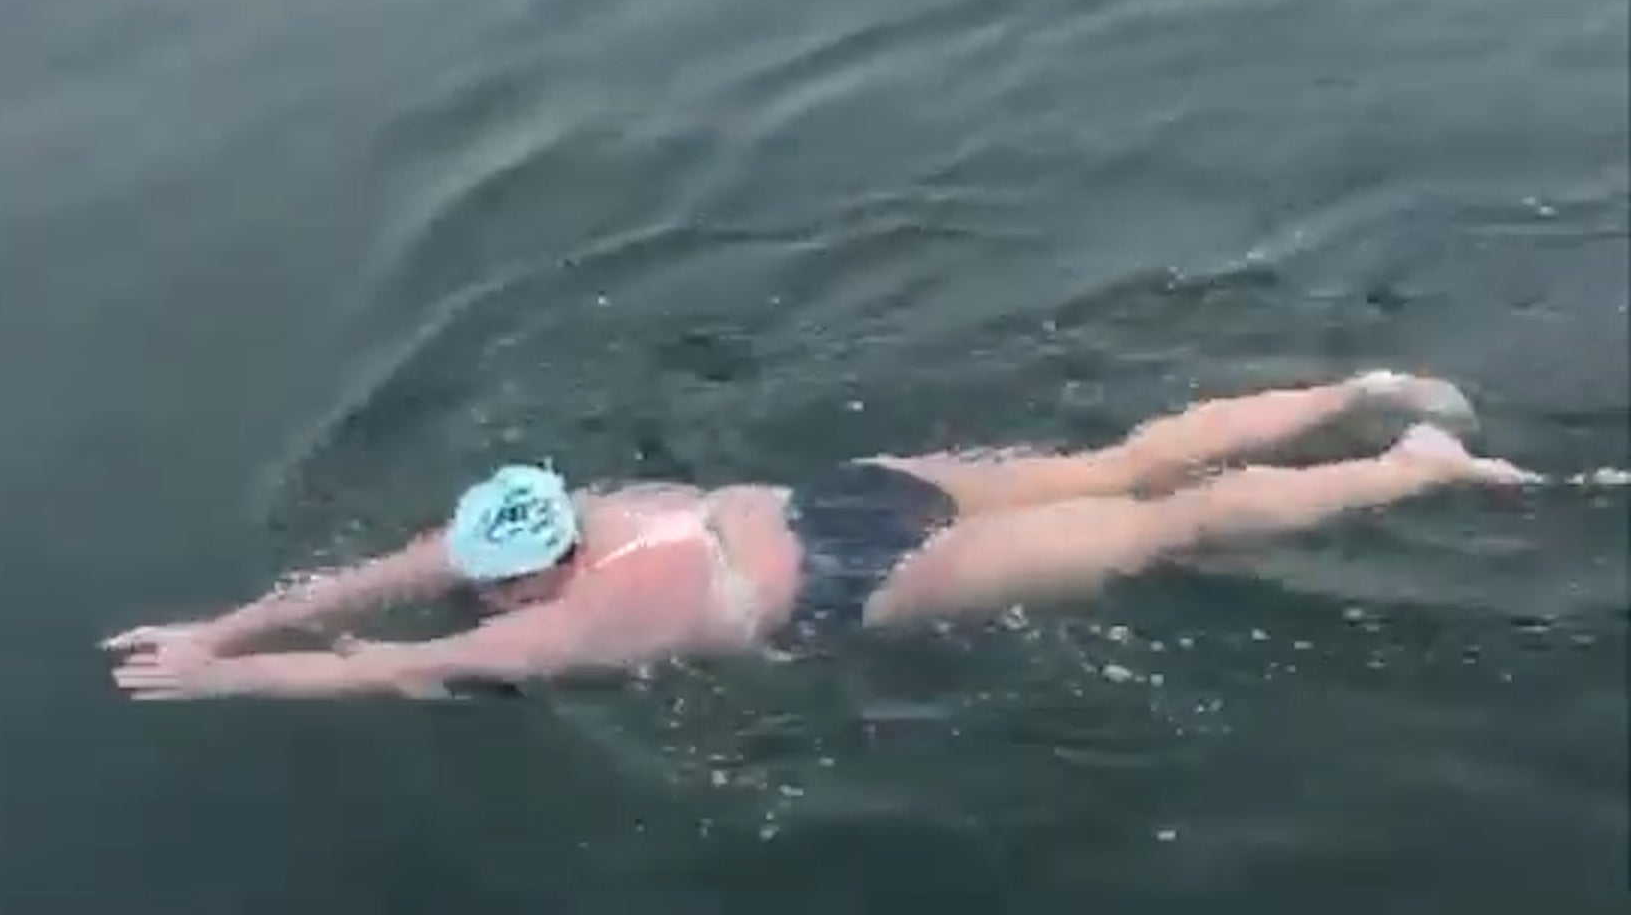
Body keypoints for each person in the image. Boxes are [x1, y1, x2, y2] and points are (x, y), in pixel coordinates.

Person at [104, 370, 1540, 701]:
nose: (461, 580)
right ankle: (1361, 389)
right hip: (827, 501)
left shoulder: (572, 620)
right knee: (1127, 461)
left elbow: (357, 661)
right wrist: (227, 624)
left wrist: (218, 669)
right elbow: (371, 582)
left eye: (484, 577)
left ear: (526, 565)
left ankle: (1413, 467)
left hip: (867, 568)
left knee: (1176, 526)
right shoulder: (558, 519)